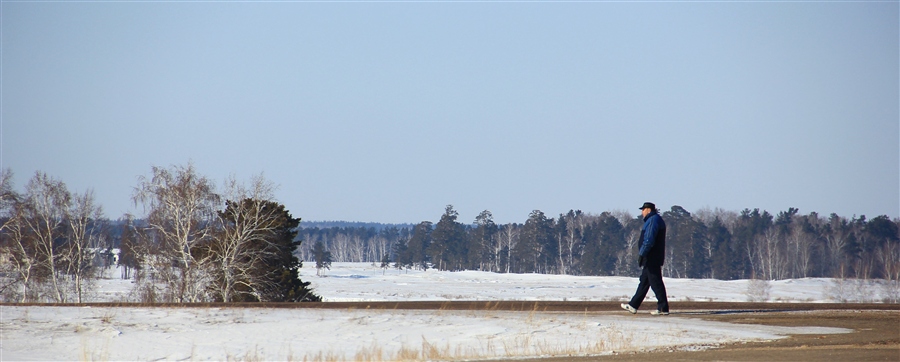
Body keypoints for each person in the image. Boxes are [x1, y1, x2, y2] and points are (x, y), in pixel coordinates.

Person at [621, 202, 669, 315]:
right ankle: (633, 305)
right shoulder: (653, 220)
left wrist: (642, 254)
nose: (642, 212)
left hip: (652, 256)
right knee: (644, 281)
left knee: (655, 282)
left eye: (643, 209)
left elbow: (649, 240)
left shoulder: (653, 220)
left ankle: (663, 308)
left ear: (648, 210)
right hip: (652, 256)